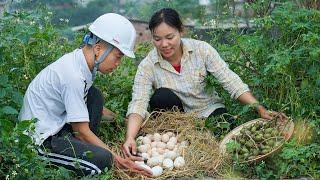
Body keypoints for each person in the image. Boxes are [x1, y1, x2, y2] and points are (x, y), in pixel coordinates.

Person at [122, 8, 287, 159]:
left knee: (227, 133)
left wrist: (259, 108)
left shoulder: (202, 50)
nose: (164, 44)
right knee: (161, 97)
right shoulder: (148, 65)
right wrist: (130, 138)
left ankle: (197, 143)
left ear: (181, 31)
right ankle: (178, 143)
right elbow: (139, 102)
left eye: (170, 37)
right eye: (157, 39)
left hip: (208, 111)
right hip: (176, 120)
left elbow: (230, 81)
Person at [19, 13, 152, 177]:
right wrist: (117, 160)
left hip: (58, 126)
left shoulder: (81, 63)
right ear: (98, 48)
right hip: (41, 141)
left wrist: (122, 121)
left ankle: (85, 148)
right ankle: (80, 156)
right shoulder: (73, 75)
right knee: (104, 161)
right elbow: (81, 130)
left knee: (94, 96)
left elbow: (95, 109)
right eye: (117, 57)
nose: (118, 64)